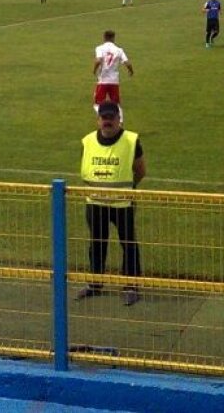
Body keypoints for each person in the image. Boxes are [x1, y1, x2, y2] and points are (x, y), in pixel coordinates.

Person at [74, 102, 146, 305]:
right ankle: (95, 284)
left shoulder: (131, 140)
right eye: (104, 118)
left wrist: (126, 189)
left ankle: (131, 286)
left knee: (128, 244)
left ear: (118, 119)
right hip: (95, 204)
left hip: (122, 205)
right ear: (98, 120)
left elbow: (140, 170)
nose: (107, 121)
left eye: (111, 118)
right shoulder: (88, 141)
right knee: (96, 243)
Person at [93, 30, 133, 114]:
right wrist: (131, 71)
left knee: (97, 104)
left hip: (103, 80)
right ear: (113, 38)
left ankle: (102, 118)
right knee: (116, 104)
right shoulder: (119, 50)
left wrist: (94, 70)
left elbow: (98, 60)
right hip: (114, 81)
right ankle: (120, 121)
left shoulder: (99, 48)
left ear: (104, 37)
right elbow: (128, 63)